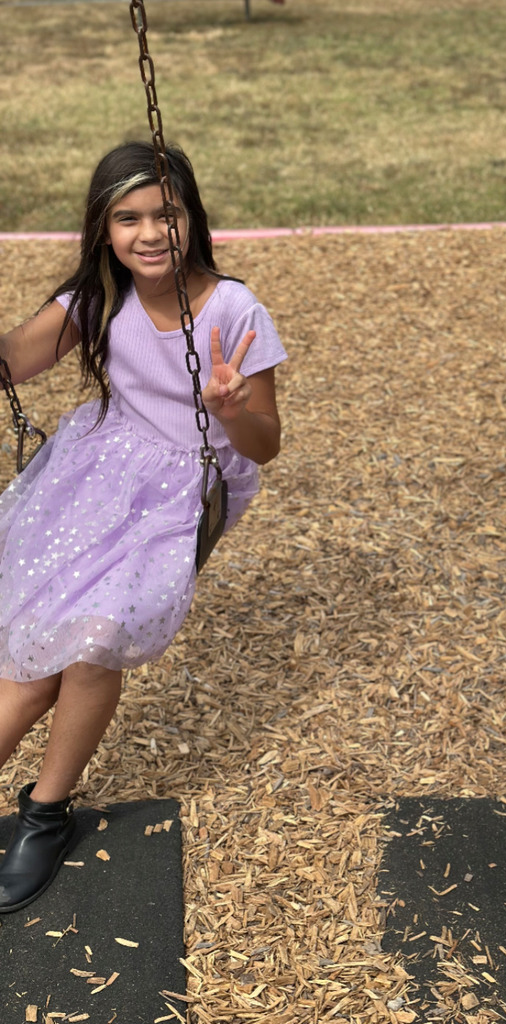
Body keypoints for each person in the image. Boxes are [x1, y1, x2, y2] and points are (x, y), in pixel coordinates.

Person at [0, 140, 286, 912]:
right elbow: (14, 359)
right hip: (93, 474)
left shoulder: (233, 310)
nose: (151, 233)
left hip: (185, 493)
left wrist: (232, 413)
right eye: (129, 218)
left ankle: (45, 813)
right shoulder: (97, 298)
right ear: (103, 229)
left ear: (192, 218)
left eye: (167, 213)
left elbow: (266, 442)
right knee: (29, 673)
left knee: (93, 646)